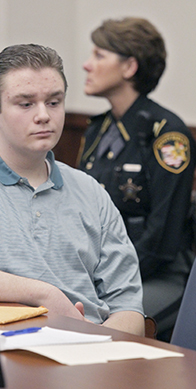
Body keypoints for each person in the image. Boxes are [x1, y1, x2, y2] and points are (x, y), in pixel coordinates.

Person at [0, 43, 144, 336]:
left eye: (54, 102)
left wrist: (96, 345)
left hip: (92, 354)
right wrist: (45, 294)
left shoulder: (92, 192)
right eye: (26, 103)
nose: (44, 115)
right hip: (2, 353)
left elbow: (129, 308)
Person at [77, 17, 196, 341]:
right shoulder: (97, 129)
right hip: (100, 271)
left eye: (99, 55)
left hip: (156, 275)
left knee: (101, 333)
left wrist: (106, 279)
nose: (87, 65)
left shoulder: (167, 136)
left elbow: (163, 238)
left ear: (129, 66)